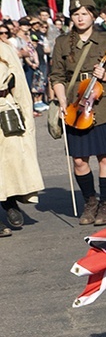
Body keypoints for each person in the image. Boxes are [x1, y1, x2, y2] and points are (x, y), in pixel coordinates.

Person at [50, 0, 106, 226]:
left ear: (93, 15)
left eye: (84, 13)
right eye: (76, 14)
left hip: (104, 104)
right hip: (76, 105)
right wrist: (62, 101)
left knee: (105, 157)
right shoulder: (62, 43)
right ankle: (90, 201)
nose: (80, 18)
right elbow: (56, 76)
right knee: (79, 161)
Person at [0, 41, 44, 236]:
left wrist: (26, 115)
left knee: (9, 163)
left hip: (3, 110)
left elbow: (15, 79)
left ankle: (9, 201)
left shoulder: (4, 48)